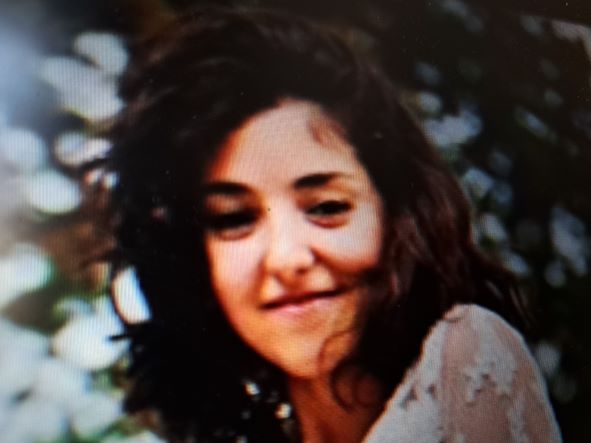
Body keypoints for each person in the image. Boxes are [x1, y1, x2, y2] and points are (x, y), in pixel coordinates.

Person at [107, 6, 562, 443]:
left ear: (395, 212)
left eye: (326, 207)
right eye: (235, 218)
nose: (287, 258)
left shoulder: (466, 358)